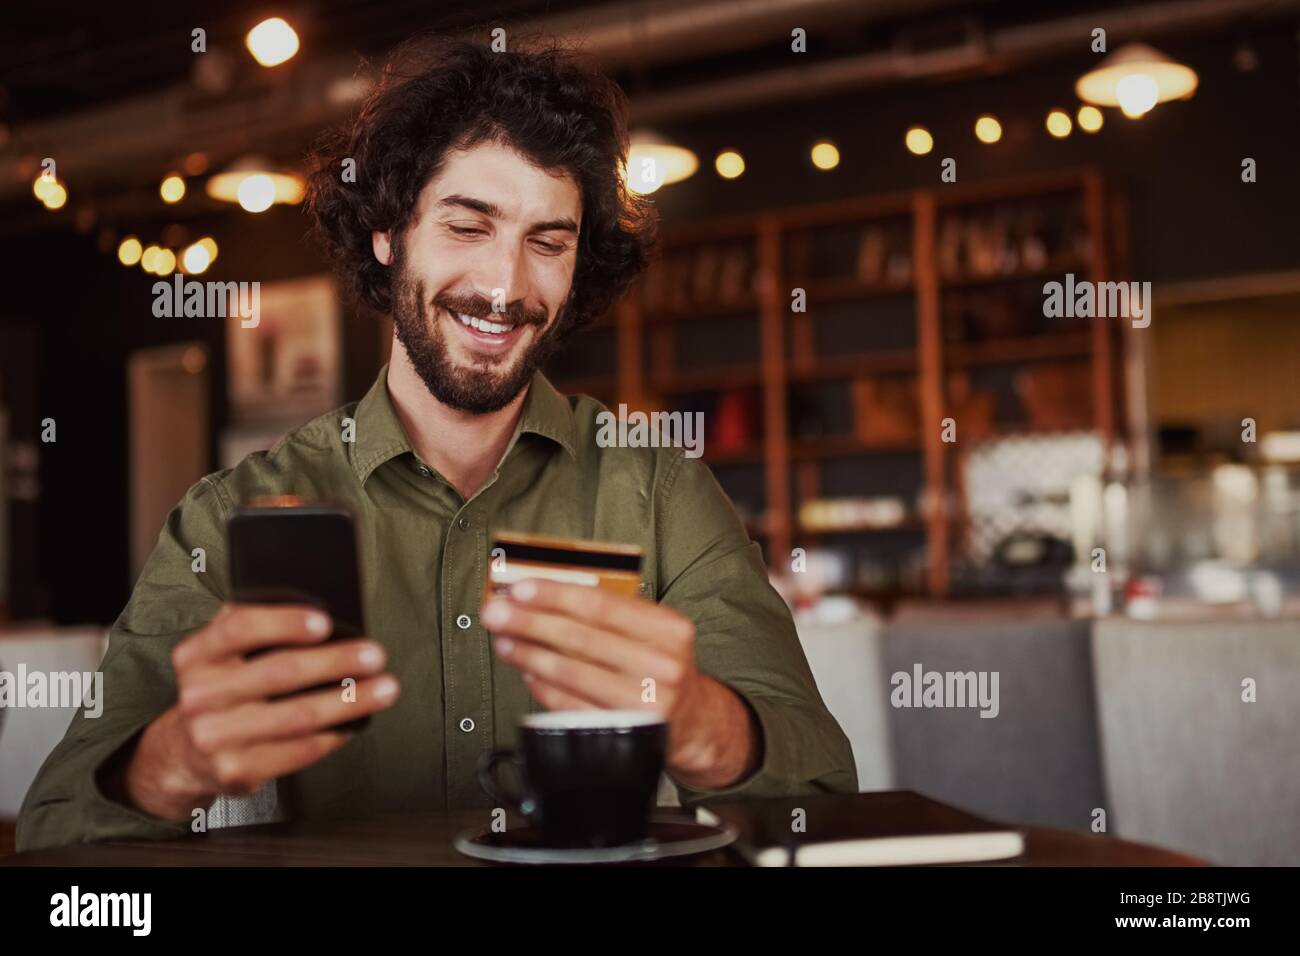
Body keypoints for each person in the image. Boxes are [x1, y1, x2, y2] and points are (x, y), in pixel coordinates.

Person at [18, 35, 855, 852]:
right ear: (389, 234)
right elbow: (59, 830)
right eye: (468, 226)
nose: (505, 286)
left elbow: (824, 800)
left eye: (547, 243)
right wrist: (174, 762)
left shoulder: (659, 491)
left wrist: (701, 721)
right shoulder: (226, 516)